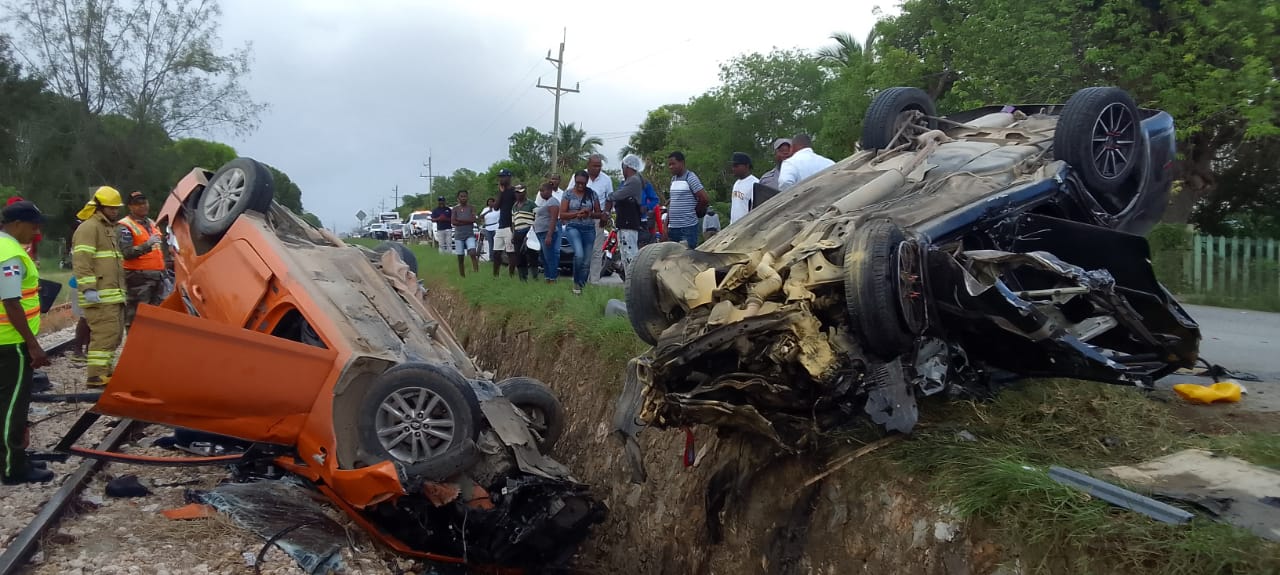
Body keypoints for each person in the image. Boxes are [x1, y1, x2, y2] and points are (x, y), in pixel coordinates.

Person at [0, 201, 53, 484]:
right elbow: (11, 302)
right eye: (33, 226)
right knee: (12, 407)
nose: (36, 231)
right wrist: (32, 345)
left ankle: (11, 458)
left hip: (5, 341)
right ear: (17, 223)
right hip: (11, 343)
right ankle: (14, 469)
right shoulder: (8, 253)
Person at [72, 186, 126, 388]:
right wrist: (88, 288)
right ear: (98, 207)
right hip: (100, 295)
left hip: (112, 294)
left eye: (116, 208)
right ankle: (95, 377)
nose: (115, 211)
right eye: (111, 208)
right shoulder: (89, 228)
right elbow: (82, 261)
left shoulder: (107, 228)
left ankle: (105, 372)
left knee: (113, 335)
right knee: (103, 336)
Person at [118, 191, 166, 329]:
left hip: (157, 276)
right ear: (130, 207)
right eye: (137, 204)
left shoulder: (151, 223)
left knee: (155, 316)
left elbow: (160, 248)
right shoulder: (125, 227)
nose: (142, 206)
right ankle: (134, 346)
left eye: (144, 203)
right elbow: (126, 253)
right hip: (138, 278)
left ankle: (149, 346)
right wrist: (147, 245)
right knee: (136, 316)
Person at [559, 170, 601, 295]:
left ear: (587, 182)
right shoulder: (568, 194)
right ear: (575, 181)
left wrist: (589, 213)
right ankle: (576, 283)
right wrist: (577, 213)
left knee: (587, 261)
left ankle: (581, 287)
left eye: (583, 183)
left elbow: (599, 213)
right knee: (579, 255)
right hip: (573, 227)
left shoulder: (592, 194)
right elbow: (562, 214)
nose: (580, 185)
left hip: (589, 228)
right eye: (578, 182)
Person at [607, 154, 646, 277]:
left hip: (628, 222)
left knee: (629, 254)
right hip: (626, 222)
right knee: (626, 254)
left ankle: (633, 280)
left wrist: (608, 197)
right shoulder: (633, 180)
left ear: (627, 167)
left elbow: (617, 195)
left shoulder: (633, 180)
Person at [665, 151, 710, 249]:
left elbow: (704, 198)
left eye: (673, 164)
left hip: (687, 228)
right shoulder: (674, 180)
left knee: (687, 258)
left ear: (682, 163)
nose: (671, 167)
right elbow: (672, 203)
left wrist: (696, 210)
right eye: (669, 164)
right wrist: (666, 225)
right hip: (673, 228)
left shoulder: (690, 178)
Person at [533, 183, 561, 284]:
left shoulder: (553, 202)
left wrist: (549, 235)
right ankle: (547, 277)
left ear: (549, 191)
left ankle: (553, 278)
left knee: (549, 256)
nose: (541, 193)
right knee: (543, 257)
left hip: (547, 233)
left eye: (543, 190)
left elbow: (553, 219)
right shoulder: (546, 202)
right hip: (540, 232)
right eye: (540, 191)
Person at [492, 169, 518, 277]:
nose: (501, 179)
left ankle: (511, 275)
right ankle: (495, 275)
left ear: (509, 177)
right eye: (500, 177)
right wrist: (500, 193)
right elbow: (496, 207)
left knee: (510, 252)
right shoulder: (502, 192)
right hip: (501, 225)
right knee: (496, 253)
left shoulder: (514, 191)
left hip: (510, 226)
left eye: (503, 177)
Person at [510, 187, 537, 281]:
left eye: (520, 192)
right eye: (516, 193)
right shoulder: (514, 206)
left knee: (532, 255)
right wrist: (513, 234)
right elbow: (513, 222)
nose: (518, 194)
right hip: (517, 232)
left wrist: (531, 233)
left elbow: (537, 219)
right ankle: (523, 278)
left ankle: (535, 276)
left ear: (524, 193)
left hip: (528, 231)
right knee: (519, 256)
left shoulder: (531, 204)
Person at [451, 191, 480, 276]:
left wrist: (459, 220)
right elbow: (453, 222)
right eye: (461, 196)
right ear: (458, 198)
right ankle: (462, 276)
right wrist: (467, 221)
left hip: (469, 234)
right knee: (460, 258)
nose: (463, 198)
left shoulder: (471, 208)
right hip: (459, 236)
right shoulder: (455, 209)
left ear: (467, 197)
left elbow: (473, 220)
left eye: (465, 196)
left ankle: (476, 272)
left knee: (472, 253)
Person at [730, 152, 760, 225]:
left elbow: (758, 210)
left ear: (747, 166)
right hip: (733, 227)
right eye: (733, 165)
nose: (733, 168)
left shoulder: (755, 183)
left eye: (736, 165)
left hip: (746, 227)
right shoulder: (736, 183)